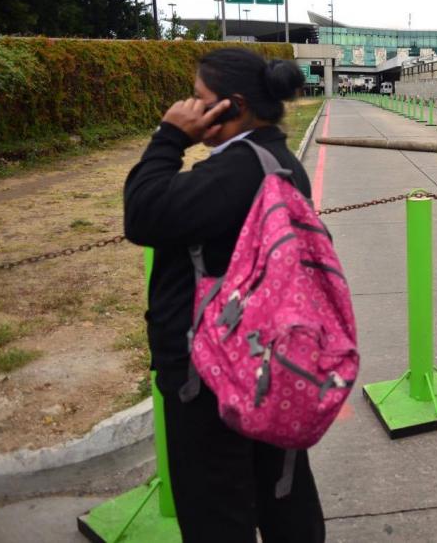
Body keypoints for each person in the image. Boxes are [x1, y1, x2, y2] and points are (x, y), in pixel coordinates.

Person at [124, 48, 325, 543]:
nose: (189, 106)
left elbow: (143, 213)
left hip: (210, 374)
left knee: (215, 509)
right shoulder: (279, 161)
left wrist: (170, 136)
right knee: (281, 490)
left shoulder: (238, 172)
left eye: (199, 98)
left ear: (232, 106)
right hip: (267, 359)